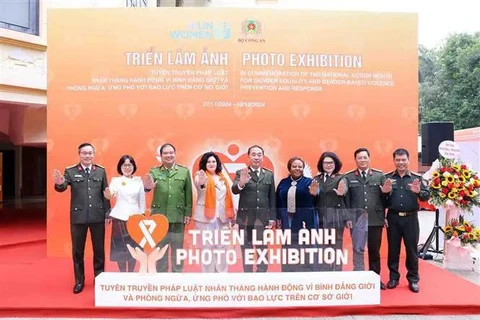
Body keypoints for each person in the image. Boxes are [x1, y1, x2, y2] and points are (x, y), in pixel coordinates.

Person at [53, 142, 111, 294]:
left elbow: (106, 193)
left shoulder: (100, 171)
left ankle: (99, 279)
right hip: (78, 217)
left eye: (90, 153)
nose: (87, 156)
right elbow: (63, 186)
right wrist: (59, 183)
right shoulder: (71, 171)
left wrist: (107, 213)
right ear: (79, 154)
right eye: (84, 153)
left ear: (94, 154)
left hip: (97, 216)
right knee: (78, 251)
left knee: (99, 251)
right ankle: (79, 281)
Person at [381, 148, 429, 293]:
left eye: (403, 160)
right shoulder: (387, 177)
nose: (401, 162)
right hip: (393, 218)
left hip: (411, 219)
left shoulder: (417, 178)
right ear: (394, 161)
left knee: (412, 250)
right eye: (398, 160)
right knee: (393, 250)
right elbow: (381, 200)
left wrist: (418, 192)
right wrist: (384, 197)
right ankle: (394, 277)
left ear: (408, 160)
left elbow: (426, 196)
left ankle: (413, 279)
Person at [143, 143, 193, 273]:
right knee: (161, 248)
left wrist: (188, 213)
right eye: (165, 153)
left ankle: (177, 274)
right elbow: (148, 187)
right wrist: (147, 186)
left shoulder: (184, 171)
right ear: (161, 156)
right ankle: (162, 274)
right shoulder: (154, 171)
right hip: (160, 217)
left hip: (178, 215)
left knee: (178, 248)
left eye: (171, 152)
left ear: (175, 154)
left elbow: (188, 194)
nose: (169, 155)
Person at [344, 148, 387, 289]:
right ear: (355, 160)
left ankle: (374, 278)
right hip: (357, 220)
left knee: (374, 250)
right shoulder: (349, 177)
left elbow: (385, 198)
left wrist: (385, 216)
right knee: (358, 249)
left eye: (365, 157)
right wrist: (348, 218)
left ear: (369, 159)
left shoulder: (379, 176)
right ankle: (359, 277)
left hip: (375, 219)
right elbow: (347, 200)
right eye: (359, 158)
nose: (362, 160)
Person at [232, 145, 276, 273]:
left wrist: (272, 217)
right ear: (248, 156)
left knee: (262, 247)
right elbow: (234, 189)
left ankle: (262, 273)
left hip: (262, 218)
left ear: (262, 157)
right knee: (246, 247)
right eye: (253, 154)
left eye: (259, 155)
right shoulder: (241, 173)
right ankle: (248, 274)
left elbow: (272, 197)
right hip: (245, 218)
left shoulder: (268, 174)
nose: (256, 157)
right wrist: (241, 183)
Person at [193, 152, 235, 273]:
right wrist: (201, 182)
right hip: (205, 218)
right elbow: (199, 184)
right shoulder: (200, 175)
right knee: (207, 247)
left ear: (217, 163)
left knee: (222, 247)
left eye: (214, 161)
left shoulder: (223, 177)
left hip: (222, 217)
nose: (211, 164)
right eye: (209, 162)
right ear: (204, 164)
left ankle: (222, 274)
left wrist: (231, 215)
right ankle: (208, 276)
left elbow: (228, 196)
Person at [103, 155, 145, 272]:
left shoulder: (139, 181)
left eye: (129, 165)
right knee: (120, 248)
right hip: (119, 218)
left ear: (133, 166)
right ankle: (122, 274)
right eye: (124, 165)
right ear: (120, 167)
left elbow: (142, 202)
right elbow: (112, 192)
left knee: (134, 248)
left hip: (136, 219)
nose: (127, 167)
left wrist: (142, 217)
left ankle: (130, 273)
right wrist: (108, 194)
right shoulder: (116, 181)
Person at [276, 156, 319, 272]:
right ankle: (288, 273)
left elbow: (316, 200)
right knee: (289, 247)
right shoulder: (283, 182)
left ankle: (308, 273)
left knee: (306, 248)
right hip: (287, 220)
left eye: (300, 166)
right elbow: (277, 201)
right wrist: (277, 218)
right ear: (289, 168)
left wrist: (315, 194)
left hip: (305, 222)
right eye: (294, 166)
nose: (297, 168)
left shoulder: (309, 182)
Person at [312, 151, 353, 272]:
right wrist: (312, 195)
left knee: (336, 246)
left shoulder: (342, 178)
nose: (328, 165)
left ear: (336, 164)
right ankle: (325, 272)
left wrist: (348, 217)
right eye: (325, 163)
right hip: (320, 218)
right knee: (323, 246)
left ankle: (337, 273)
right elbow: (314, 198)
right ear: (321, 164)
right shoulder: (316, 179)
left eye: (331, 162)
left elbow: (346, 195)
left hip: (336, 217)